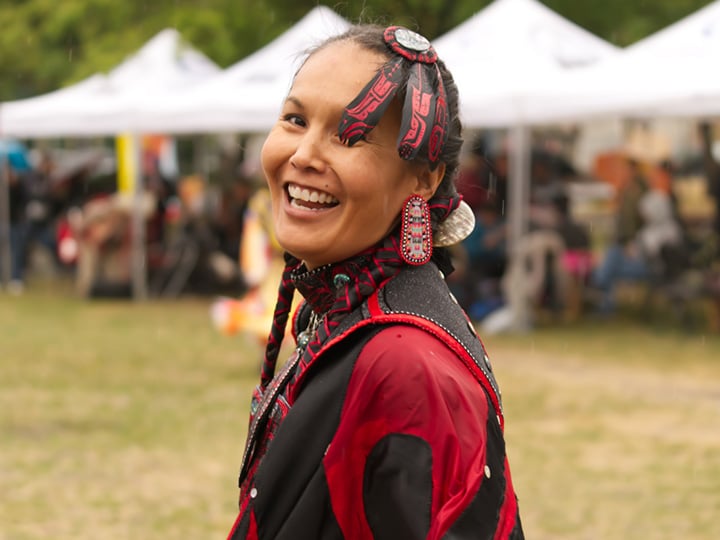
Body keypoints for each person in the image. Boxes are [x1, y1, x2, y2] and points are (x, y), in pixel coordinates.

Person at [226, 24, 524, 540]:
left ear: (423, 178)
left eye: (350, 135)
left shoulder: (407, 368)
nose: (302, 155)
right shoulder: (341, 311)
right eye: (295, 120)